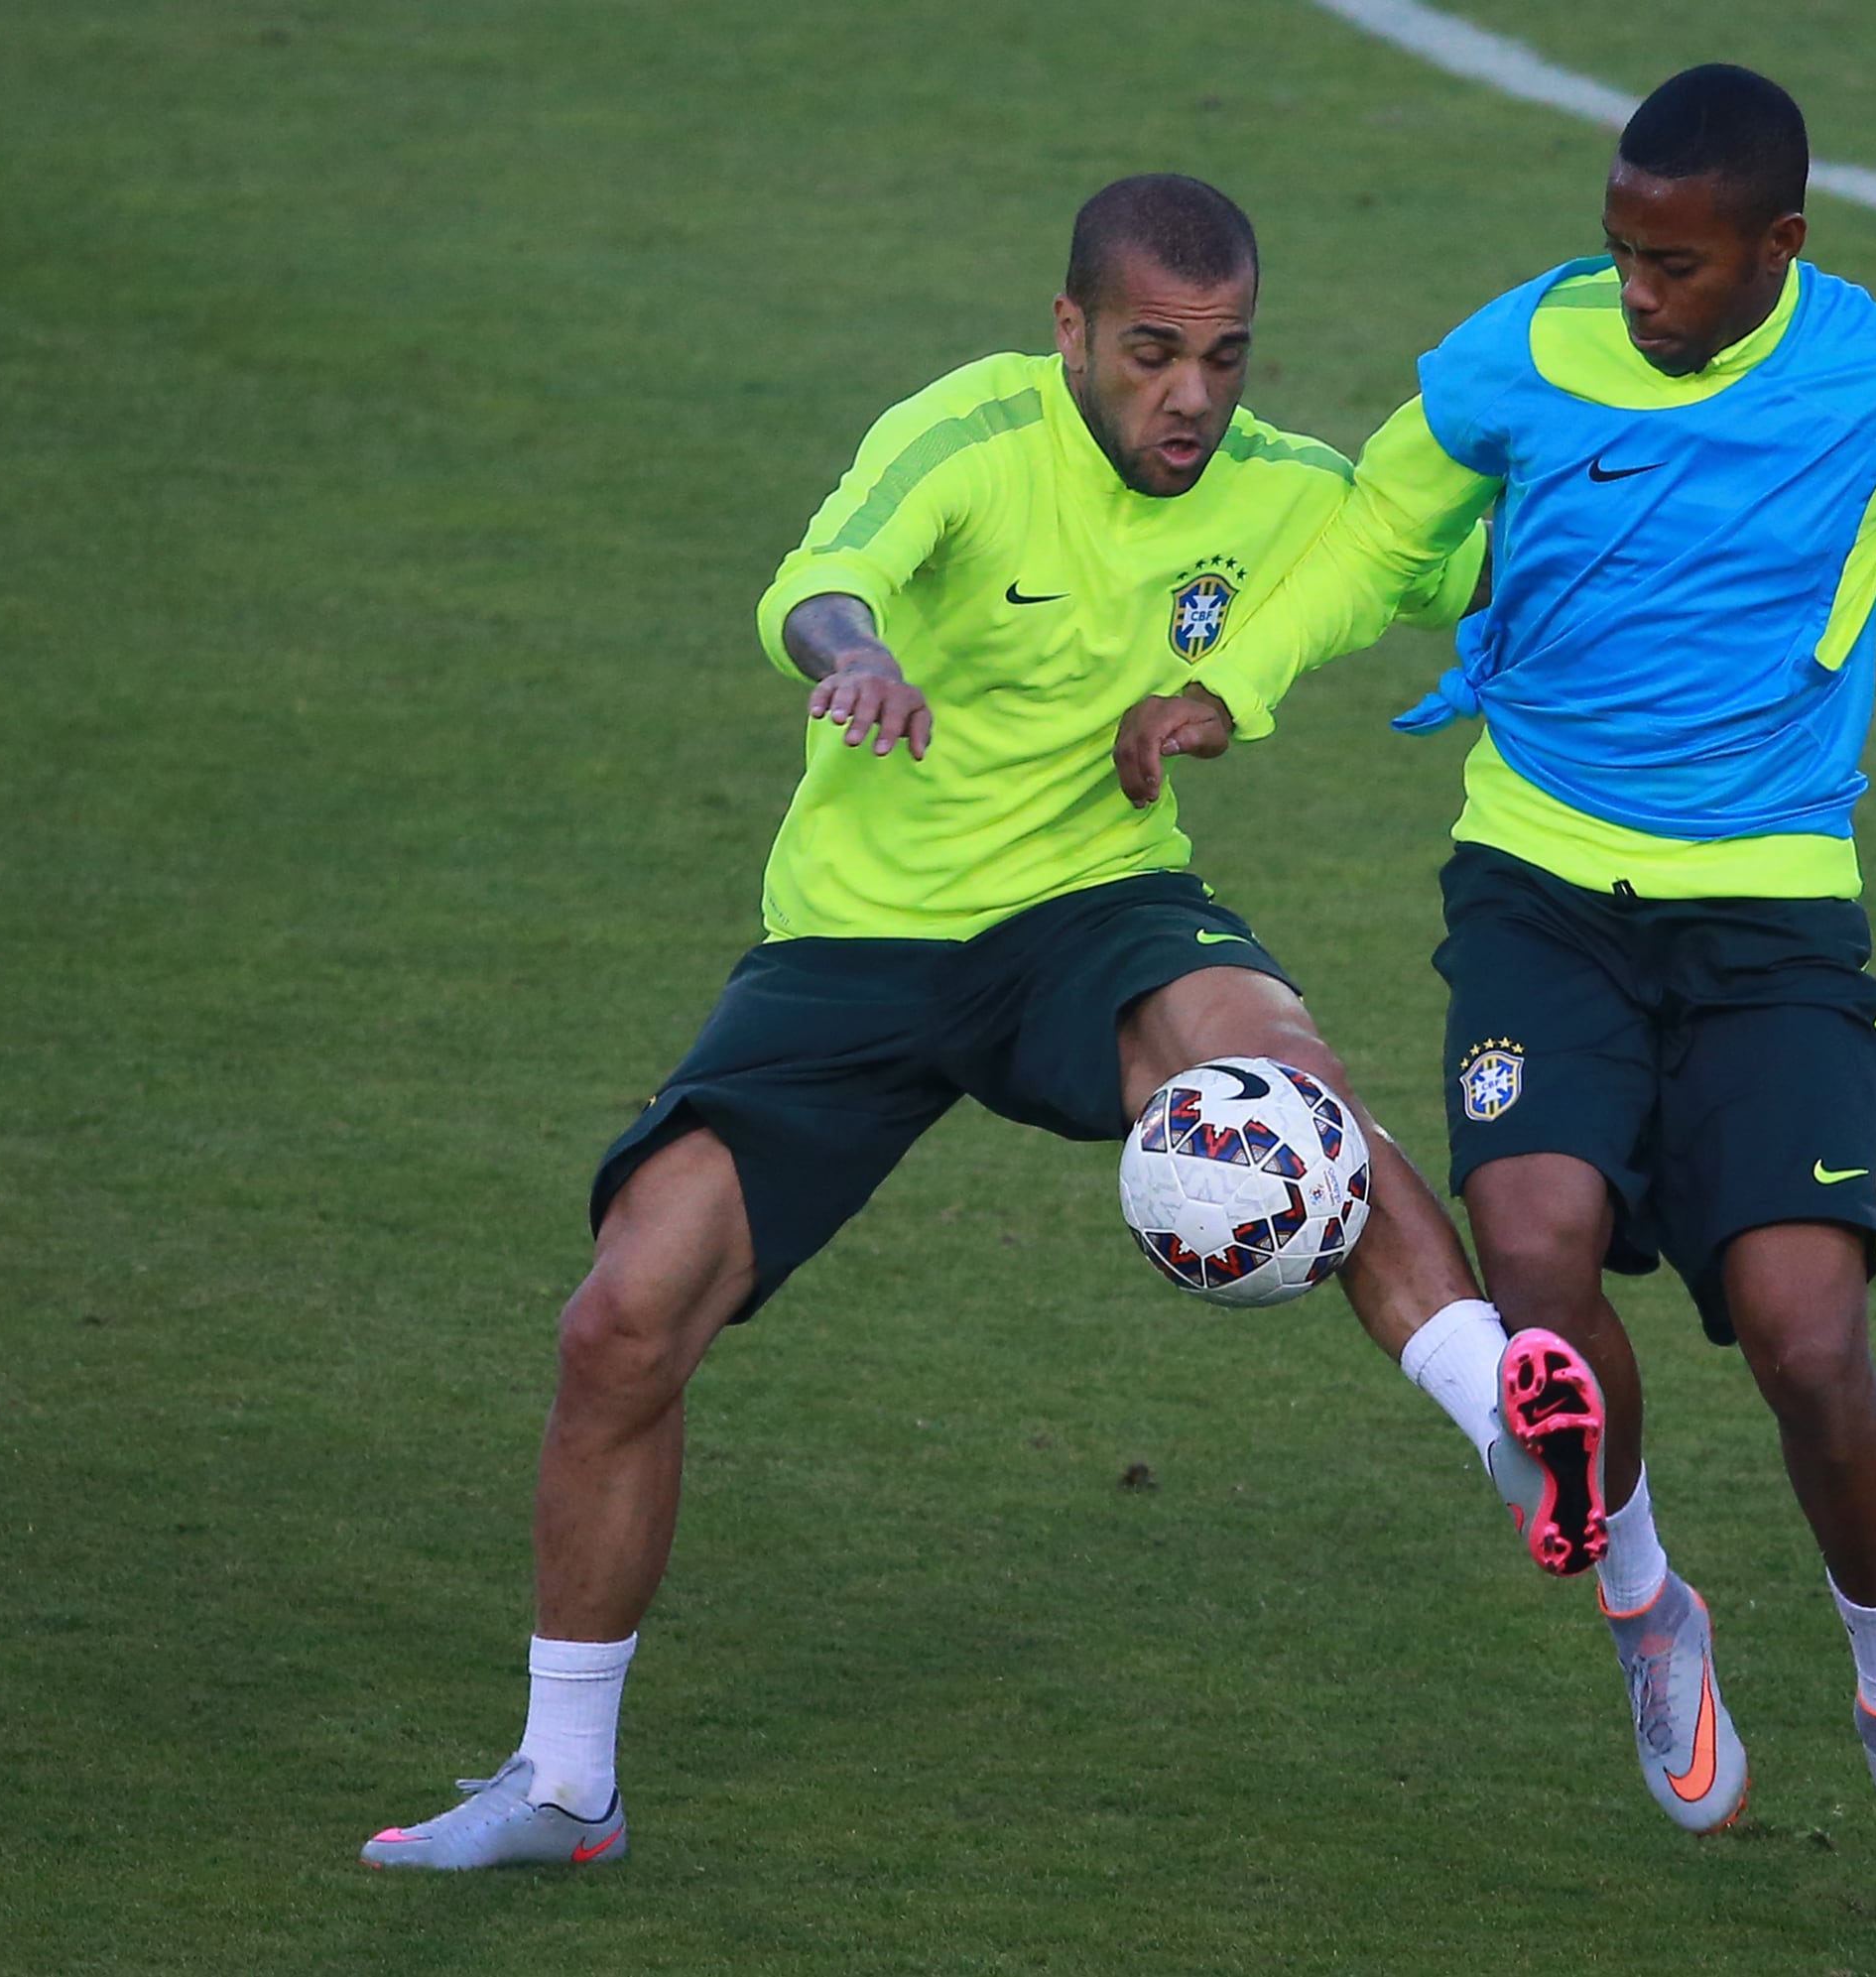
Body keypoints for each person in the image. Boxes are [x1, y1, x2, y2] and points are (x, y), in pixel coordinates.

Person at [1115, 68, 1876, 1944]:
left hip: (1770, 914)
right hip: (1536, 887)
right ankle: (1647, 1605)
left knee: (1804, 1335)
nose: (1641, 293)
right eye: (1621, 253)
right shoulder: (1524, 349)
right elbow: (1369, 535)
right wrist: (1237, 689)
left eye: (1679, 267)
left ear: (1781, 246)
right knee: (1534, 1248)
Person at [361, 175, 1606, 1871]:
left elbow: (1461, 565)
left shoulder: (1281, 491)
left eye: (1224, 358)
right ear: (1073, 330)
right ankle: (565, 1785)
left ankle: (1515, 1438)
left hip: (1093, 911)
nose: (1191, 396)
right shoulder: (966, 435)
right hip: (860, 945)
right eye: (1154, 353)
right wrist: (855, 656)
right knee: (621, 1322)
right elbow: (823, 577)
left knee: (1286, 1079)